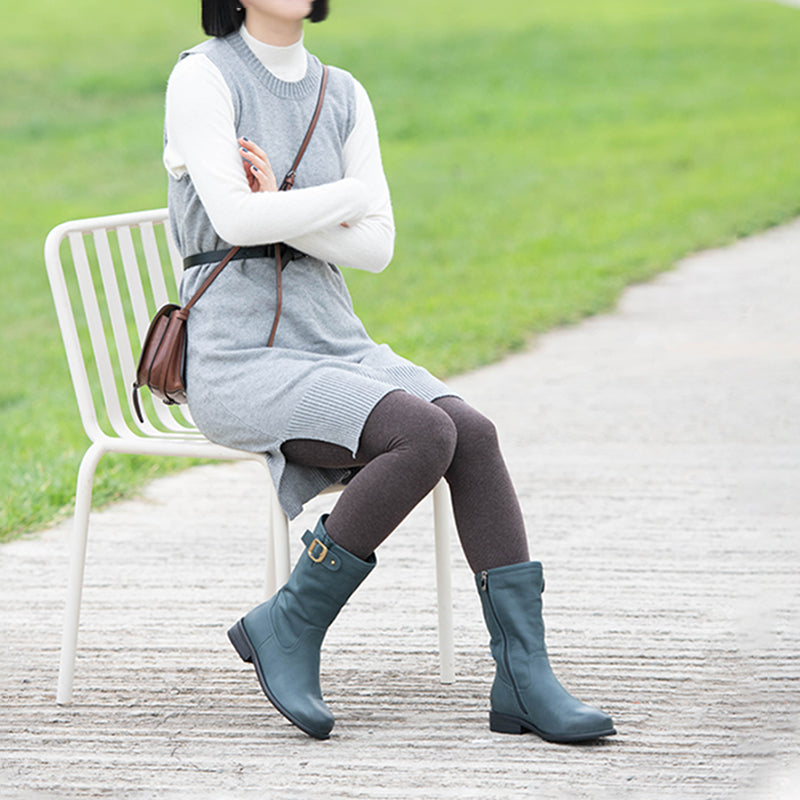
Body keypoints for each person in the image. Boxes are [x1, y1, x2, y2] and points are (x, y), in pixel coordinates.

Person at [164, 0, 616, 743]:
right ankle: (292, 624)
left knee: (469, 431)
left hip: (336, 341)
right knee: (421, 431)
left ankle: (523, 677)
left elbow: (375, 248)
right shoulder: (203, 78)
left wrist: (283, 201)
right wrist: (342, 199)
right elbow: (238, 222)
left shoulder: (342, 92)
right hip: (240, 358)